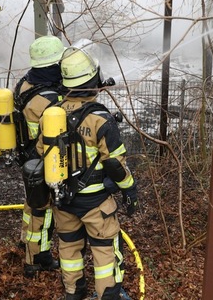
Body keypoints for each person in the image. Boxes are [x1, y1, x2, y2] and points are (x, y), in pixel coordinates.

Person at [54, 47, 139, 300]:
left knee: (69, 248)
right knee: (104, 252)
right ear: (92, 80)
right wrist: (130, 191)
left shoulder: (54, 114)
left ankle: (73, 293)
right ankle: (108, 295)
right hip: (96, 203)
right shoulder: (100, 119)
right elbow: (115, 164)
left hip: (63, 201)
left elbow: (42, 151)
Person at [17, 35, 66, 277]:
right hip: (42, 161)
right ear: (53, 65)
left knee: (31, 206)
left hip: (27, 158)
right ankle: (34, 259)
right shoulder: (50, 100)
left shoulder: (26, 84)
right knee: (41, 210)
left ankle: (30, 245)